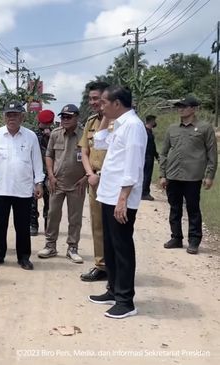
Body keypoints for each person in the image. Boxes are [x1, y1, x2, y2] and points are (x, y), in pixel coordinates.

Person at [88, 86, 147, 319]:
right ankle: (112, 290)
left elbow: (133, 166)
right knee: (110, 246)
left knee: (122, 248)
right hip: (108, 194)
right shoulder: (119, 124)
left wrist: (123, 199)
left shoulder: (133, 127)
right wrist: (104, 118)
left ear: (118, 103)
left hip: (120, 198)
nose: (100, 107)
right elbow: (100, 143)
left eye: (104, 103)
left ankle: (126, 300)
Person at [0, 101, 44, 271]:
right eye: (8, 115)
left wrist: (39, 182)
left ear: (22, 116)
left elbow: (37, 161)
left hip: (23, 189)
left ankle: (24, 258)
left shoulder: (30, 137)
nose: (11, 118)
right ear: (4, 117)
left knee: (22, 226)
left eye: (15, 115)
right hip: (0, 188)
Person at [160, 96, 217, 254]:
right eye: (179, 106)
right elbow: (163, 153)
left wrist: (210, 175)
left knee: (193, 209)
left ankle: (194, 240)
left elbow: (212, 154)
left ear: (193, 108)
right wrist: (162, 174)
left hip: (193, 176)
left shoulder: (205, 128)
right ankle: (176, 238)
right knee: (174, 208)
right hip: (173, 175)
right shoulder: (172, 129)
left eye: (184, 106)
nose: (181, 109)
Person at [37, 104, 88, 263]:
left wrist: (86, 177)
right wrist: (50, 175)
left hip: (77, 184)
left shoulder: (84, 135)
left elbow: (91, 157)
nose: (65, 120)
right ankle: (50, 245)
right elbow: (49, 155)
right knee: (52, 215)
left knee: (75, 217)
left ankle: (72, 247)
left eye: (69, 117)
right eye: (63, 117)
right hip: (56, 182)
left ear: (76, 118)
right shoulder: (55, 134)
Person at [79, 81, 110, 282]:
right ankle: (102, 265)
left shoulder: (119, 122)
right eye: (90, 99)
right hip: (94, 180)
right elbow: (84, 151)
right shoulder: (91, 122)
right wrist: (90, 174)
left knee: (115, 225)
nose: (93, 102)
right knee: (97, 224)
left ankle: (117, 265)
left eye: (96, 98)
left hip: (112, 180)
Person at [30, 109, 54, 236]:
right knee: (33, 201)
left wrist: (50, 137)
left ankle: (47, 225)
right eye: (44, 124)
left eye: (48, 124)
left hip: (50, 171)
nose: (46, 126)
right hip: (35, 171)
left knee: (49, 201)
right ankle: (33, 224)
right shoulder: (32, 134)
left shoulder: (55, 134)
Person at [141, 115, 159, 201]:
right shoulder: (145, 132)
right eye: (154, 121)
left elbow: (153, 146)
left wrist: (156, 156)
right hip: (146, 156)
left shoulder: (149, 131)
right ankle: (144, 193)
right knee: (147, 175)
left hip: (149, 155)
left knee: (146, 174)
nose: (155, 122)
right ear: (151, 121)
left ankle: (143, 192)